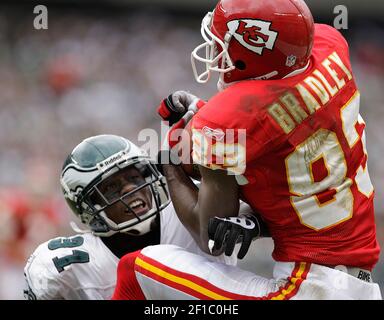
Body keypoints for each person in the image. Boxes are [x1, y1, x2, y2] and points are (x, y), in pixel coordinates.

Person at [112, 0, 382, 300]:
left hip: (304, 289)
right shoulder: (331, 44)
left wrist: (169, 161)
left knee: (135, 269)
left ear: (247, 52)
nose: (215, 52)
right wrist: (253, 222)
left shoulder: (225, 122)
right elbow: (284, 129)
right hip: (362, 287)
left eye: (220, 44)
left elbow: (209, 237)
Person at [23, 134, 238, 300]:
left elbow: (263, 216)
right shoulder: (70, 265)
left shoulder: (190, 207)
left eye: (135, 177)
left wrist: (252, 225)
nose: (129, 188)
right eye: (111, 188)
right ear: (88, 207)